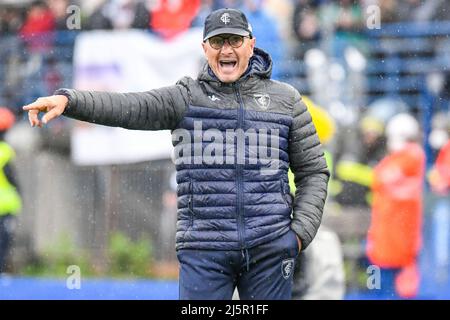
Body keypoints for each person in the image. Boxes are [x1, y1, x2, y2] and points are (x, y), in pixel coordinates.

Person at [23, 8, 329, 300]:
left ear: (251, 45)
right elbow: (128, 107)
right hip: (204, 251)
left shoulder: (286, 100)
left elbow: (314, 171)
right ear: (204, 48)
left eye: (235, 40)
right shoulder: (185, 98)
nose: (226, 50)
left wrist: (297, 234)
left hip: (270, 249)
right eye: (217, 41)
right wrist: (70, 100)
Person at [365, 113, 425, 299]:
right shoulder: (398, 159)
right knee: (380, 284)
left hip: (398, 237)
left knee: (397, 287)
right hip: (386, 234)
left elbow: (381, 178)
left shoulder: (410, 156)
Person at [0, 107, 22, 274]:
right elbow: (11, 177)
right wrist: (20, 193)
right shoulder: (5, 151)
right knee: (4, 241)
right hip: (5, 204)